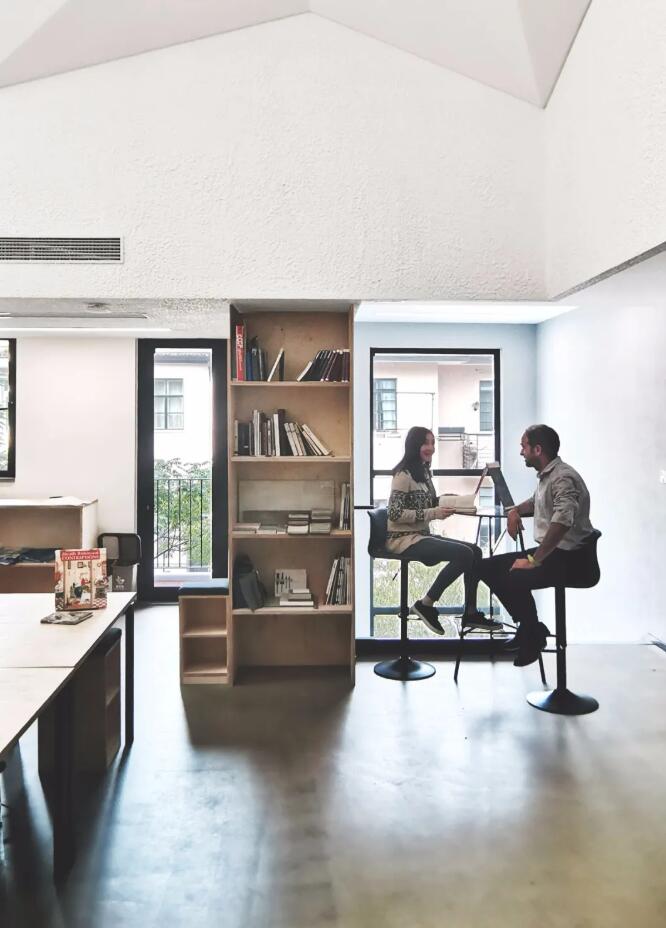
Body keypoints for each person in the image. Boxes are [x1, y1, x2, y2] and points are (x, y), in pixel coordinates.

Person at [478, 424, 598, 667]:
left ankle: (531, 633)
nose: (521, 452)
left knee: (514, 574)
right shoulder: (548, 476)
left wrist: (534, 561)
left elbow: (562, 521)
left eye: (524, 447)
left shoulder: (563, 477)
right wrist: (514, 511)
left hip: (572, 559)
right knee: (486, 567)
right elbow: (535, 503)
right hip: (555, 553)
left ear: (538, 449)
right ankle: (531, 629)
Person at [385, 425, 500, 635]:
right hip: (403, 539)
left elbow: (429, 502)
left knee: (475, 551)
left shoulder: (423, 472)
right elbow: (394, 513)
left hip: (420, 535)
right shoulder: (403, 475)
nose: (431, 448)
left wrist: (450, 501)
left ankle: (470, 612)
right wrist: (433, 513)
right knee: (465, 554)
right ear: (414, 446)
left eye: (433, 443)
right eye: (426, 443)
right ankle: (426, 604)